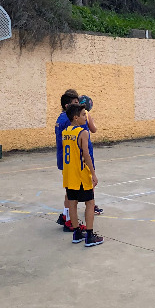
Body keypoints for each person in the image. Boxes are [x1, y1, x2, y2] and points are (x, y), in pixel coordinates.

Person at [55, 89, 100, 229]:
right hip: (76, 161)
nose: (79, 105)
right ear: (69, 107)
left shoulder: (60, 119)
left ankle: (66, 215)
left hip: (67, 160)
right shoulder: (71, 123)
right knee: (76, 194)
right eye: (76, 103)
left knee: (70, 191)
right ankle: (70, 219)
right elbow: (88, 134)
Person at [60, 103, 104, 247]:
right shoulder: (82, 133)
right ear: (75, 117)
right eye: (84, 114)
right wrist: (93, 173)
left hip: (68, 174)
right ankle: (90, 236)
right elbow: (86, 154)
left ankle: (77, 233)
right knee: (90, 203)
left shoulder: (65, 132)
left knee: (72, 203)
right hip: (80, 174)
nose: (86, 117)